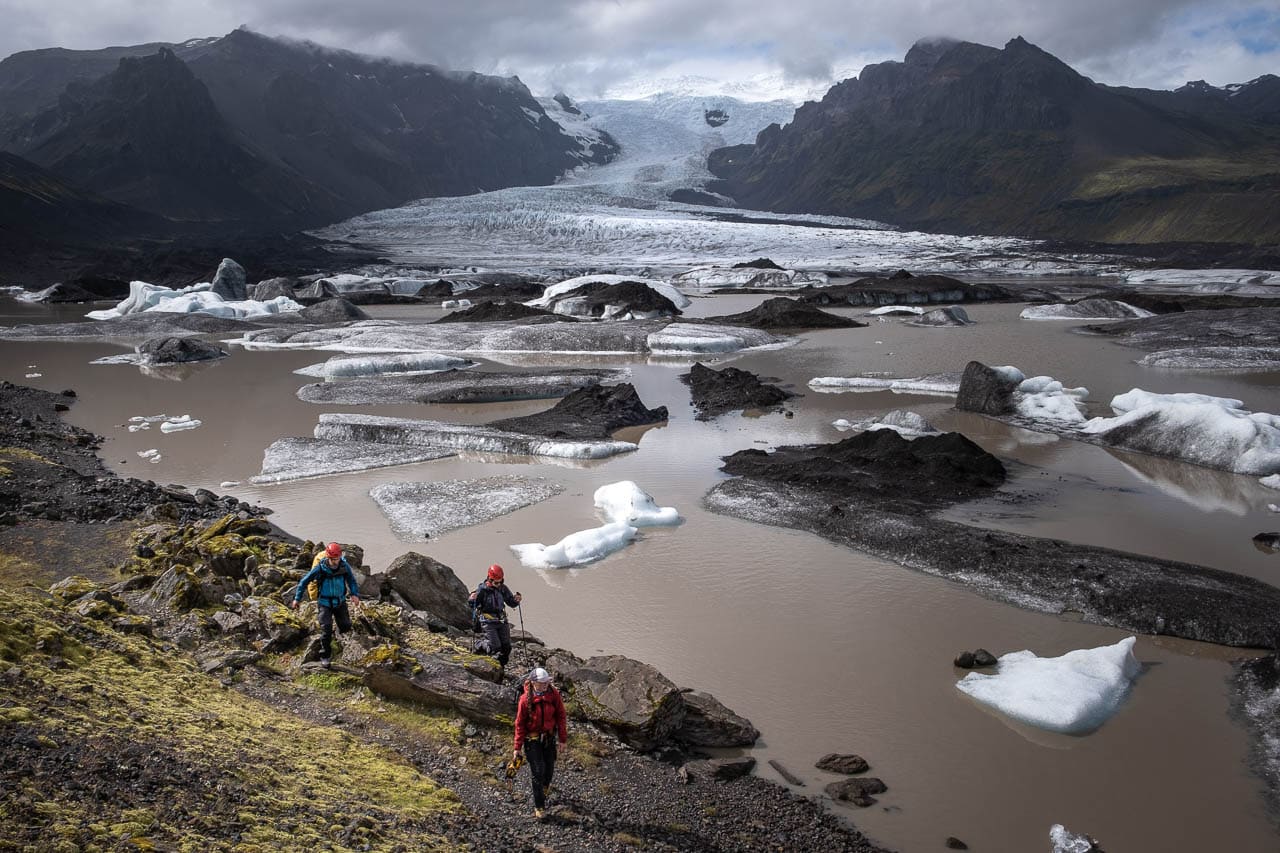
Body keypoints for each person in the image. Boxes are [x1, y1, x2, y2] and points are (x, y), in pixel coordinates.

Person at [291, 541, 360, 669]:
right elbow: (303, 582)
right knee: (325, 630)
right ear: (327, 557)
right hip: (324, 603)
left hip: (340, 602)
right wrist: (297, 598)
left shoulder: (344, 566)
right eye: (333, 559)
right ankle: (325, 656)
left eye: (337, 559)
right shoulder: (320, 568)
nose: (335, 561)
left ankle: (337, 636)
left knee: (346, 626)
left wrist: (354, 594)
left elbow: (351, 580)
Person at [513, 667, 567, 818]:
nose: (545, 685)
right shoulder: (525, 700)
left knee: (549, 770)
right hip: (532, 740)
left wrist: (562, 739)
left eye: (547, 682)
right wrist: (517, 747)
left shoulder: (553, 694)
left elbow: (561, 716)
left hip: (549, 738)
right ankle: (539, 806)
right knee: (537, 771)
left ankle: (544, 788)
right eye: (542, 683)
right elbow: (519, 724)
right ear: (534, 683)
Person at [468, 563, 521, 669]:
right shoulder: (482, 590)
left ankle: (501, 666)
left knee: (506, 647)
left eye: (500, 581)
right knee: (495, 646)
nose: (499, 584)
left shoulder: (502, 588)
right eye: (496, 582)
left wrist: (516, 600)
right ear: (490, 579)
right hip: (488, 622)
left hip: (501, 620)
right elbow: (473, 605)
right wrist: (472, 599)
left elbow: (511, 602)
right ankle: (480, 644)